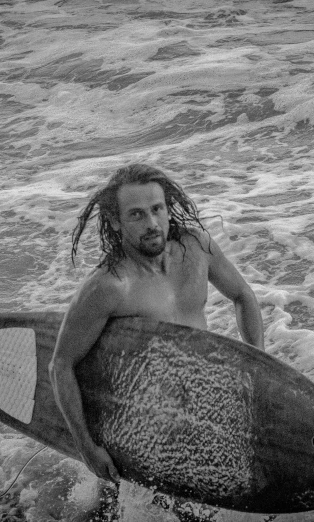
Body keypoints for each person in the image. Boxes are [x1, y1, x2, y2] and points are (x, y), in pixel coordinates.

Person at [49, 163, 264, 486]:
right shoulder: (109, 286)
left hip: (207, 401)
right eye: (136, 214)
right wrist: (87, 447)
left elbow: (243, 295)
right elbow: (61, 364)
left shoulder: (197, 248)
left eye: (157, 209)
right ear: (115, 222)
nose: (151, 223)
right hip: (148, 425)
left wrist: (258, 368)